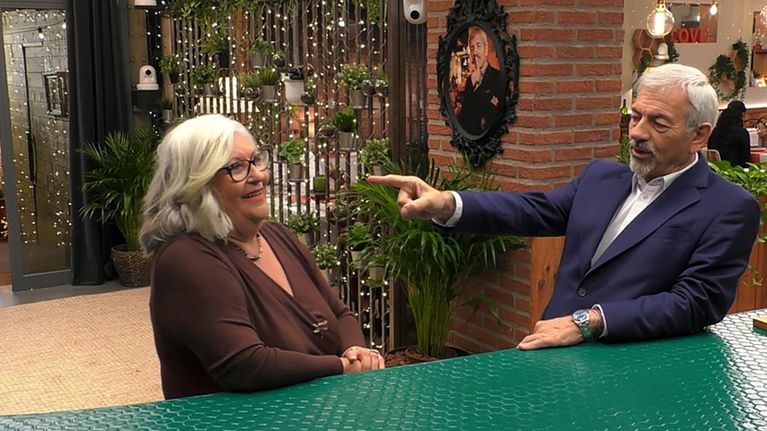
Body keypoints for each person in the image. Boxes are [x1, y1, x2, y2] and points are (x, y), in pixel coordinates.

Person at [370, 64, 760, 350]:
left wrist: (591, 322)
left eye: (658, 122)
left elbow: (696, 302)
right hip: (553, 354)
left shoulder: (728, 207)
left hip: (635, 373)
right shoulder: (601, 177)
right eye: (635, 116)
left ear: (699, 135)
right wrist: (445, 204)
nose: (638, 132)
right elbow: (532, 210)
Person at [141, 114, 383, 399]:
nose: (258, 175)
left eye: (256, 160)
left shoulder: (277, 234)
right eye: (237, 167)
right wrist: (341, 366)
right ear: (197, 184)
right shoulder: (186, 258)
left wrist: (355, 350)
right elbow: (245, 364)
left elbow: (340, 313)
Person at [456, 26, 505, 136]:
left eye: (478, 46)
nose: (475, 52)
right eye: (472, 48)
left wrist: (477, 87)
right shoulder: (470, 80)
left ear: (486, 48)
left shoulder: (498, 77)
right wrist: (473, 83)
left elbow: (491, 117)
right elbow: (464, 118)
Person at [708, 100, 751, 167]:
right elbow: (746, 159)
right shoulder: (742, 133)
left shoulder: (714, 131)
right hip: (735, 170)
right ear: (742, 115)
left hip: (716, 169)